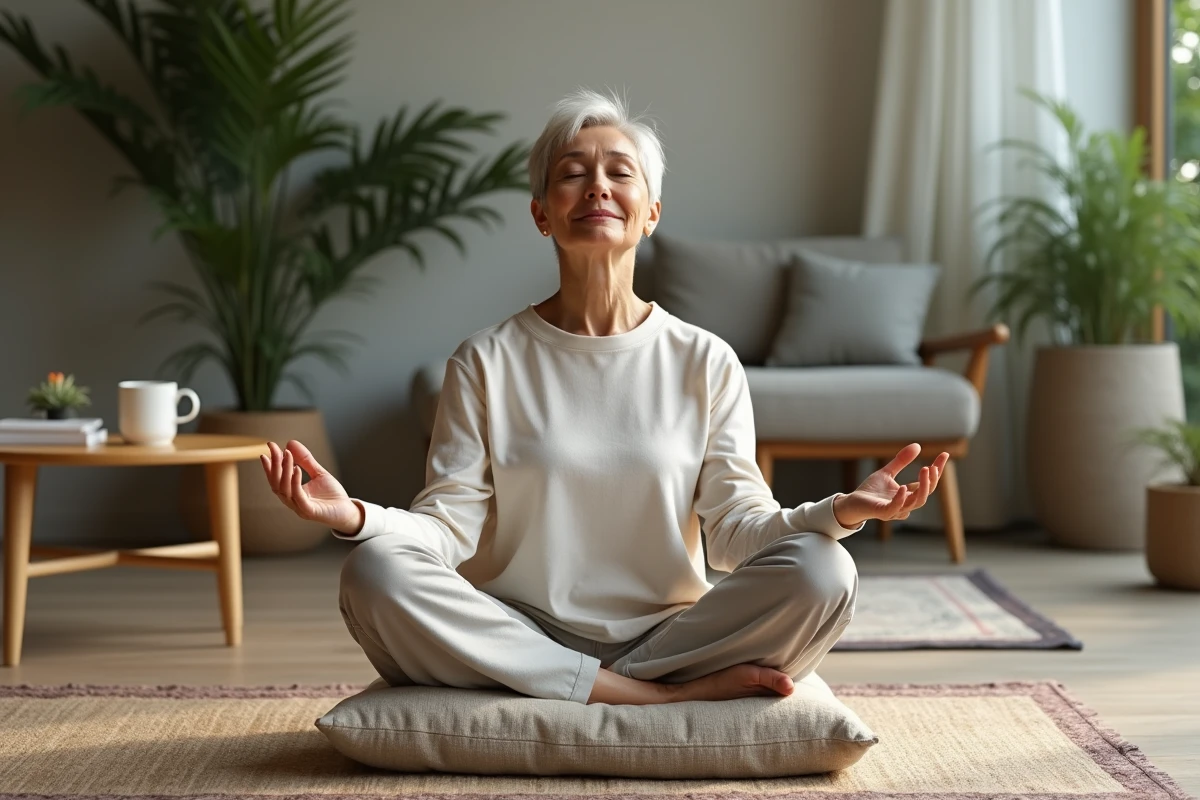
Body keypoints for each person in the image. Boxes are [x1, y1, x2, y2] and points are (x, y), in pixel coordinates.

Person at [260, 87, 948, 707]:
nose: (597, 186)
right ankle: (651, 696)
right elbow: (448, 529)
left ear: (650, 213)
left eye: (620, 172)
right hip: (519, 625)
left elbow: (737, 533)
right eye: (572, 173)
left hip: (671, 633)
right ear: (541, 214)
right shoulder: (484, 360)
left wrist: (841, 511)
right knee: (374, 569)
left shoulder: (705, 360)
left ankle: (569, 684)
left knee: (825, 570)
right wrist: (354, 515)